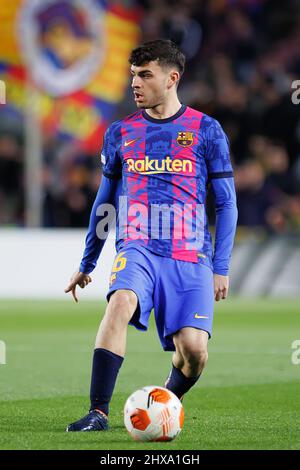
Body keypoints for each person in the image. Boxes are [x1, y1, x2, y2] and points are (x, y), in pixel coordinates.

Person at [64, 39, 238, 432]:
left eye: (145, 75)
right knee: (120, 302)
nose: (135, 84)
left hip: (191, 254)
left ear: (172, 78)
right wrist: (87, 262)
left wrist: (222, 266)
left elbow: (226, 203)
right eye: (133, 76)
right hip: (137, 245)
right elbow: (104, 202)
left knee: (194, 352)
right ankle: (99, 412)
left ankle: (168, 398)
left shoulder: (206, 130)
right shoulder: (120, 133)